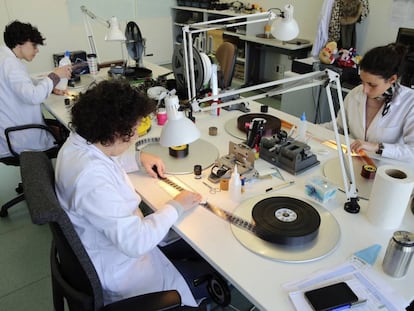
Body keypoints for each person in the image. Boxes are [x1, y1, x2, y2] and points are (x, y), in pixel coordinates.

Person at [54, 80, 212, 307]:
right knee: (210, 272)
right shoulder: (90, 179)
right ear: (116, 132)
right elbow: (135, 242)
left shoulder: (78, 144)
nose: (137, 135)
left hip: (114, 248)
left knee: (193, 245)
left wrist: (138, 158)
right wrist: (176, 205)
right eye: (135, 129)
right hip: (128, 276)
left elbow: (106, 158)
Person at [324, 43, 414, 162]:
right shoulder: (355, 94)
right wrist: (307, 129)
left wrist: (378, 147)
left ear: (392, 79)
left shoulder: (409, 102)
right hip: (354, 162)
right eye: (363, 81)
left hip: (388, 171)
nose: (365, 90)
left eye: (372, 85)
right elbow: (338, 127)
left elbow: (412, 151)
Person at [0, 20, 72, 157]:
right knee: (70, 136)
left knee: (60, 127)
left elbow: (20, 84)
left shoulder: (4, 58)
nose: (37, 50)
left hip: (11, 131)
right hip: (22, 138)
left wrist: (50, 86)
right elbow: (33, 96)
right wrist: (55, 75)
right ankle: (51, 177)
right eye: (33, 45)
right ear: (19, 43)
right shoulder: (10, 64)